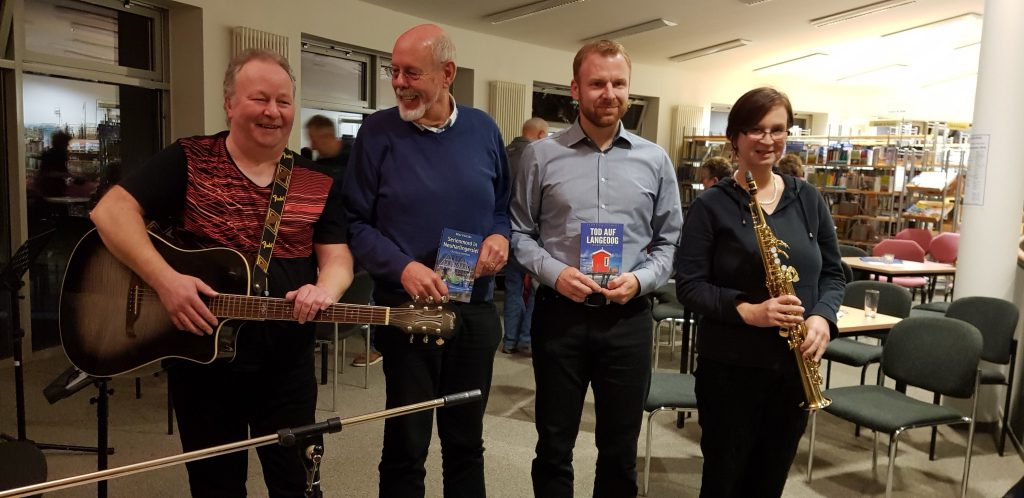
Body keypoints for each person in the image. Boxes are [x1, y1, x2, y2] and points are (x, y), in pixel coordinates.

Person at [90, 48, 354, 498]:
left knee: (297, 483)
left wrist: (324, 289)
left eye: (284, 101)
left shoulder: (316, 180)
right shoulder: (189, 159)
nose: (273, 111)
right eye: (259, 99)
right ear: (230, 103)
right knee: (216, 486)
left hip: (287, 362)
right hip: (202, 362)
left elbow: (337, 258)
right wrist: (165, 280)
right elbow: (111, 211)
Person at [510, 40, 683, 497]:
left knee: (620, 450)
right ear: (575, 89)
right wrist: (554, 273)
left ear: (629, 88)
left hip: (627, 319)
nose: (609, 92)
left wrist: (642, 279)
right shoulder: (540, 156)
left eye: (619, 83)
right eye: (597, 83)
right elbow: (519, 234)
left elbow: (670, 242)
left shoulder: (655, 159)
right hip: (560, 315)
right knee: (553, 445)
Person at [343, 24, 509, 498]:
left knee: (466, 443)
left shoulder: (483, 129)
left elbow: (503, 207)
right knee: (405, 446)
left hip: (474, 311)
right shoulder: (377, 132)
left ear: (447, 73)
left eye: (411, 72)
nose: (398, 82)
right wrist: (402, 267)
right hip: (407, 313)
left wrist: (500, 236)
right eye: (393, 71)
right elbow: (355, 223)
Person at [674, 87, 844, 497]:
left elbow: (835, 274)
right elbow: (689, 286)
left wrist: (823, 316)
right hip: (731, 369)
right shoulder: (712, 205)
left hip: (792, 370)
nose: (767, 140)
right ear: (735, 137)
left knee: (770, 481)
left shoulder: (809, 198)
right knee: (724, 480)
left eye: (777, 129)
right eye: (755, 129)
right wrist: (749, 311)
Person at [501, 117, 548, 355]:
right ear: (540, 134)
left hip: (503, 234)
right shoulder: (536, 158)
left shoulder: (502, 153)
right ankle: (526, 339)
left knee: (513, 287)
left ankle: (509, 341)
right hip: (531, 235)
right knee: (535, 289)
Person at [305, 114, 349, 180]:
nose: (312, 147)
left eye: (314, 141)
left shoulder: (355, 158)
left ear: (328, 137)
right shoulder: (318, 167)